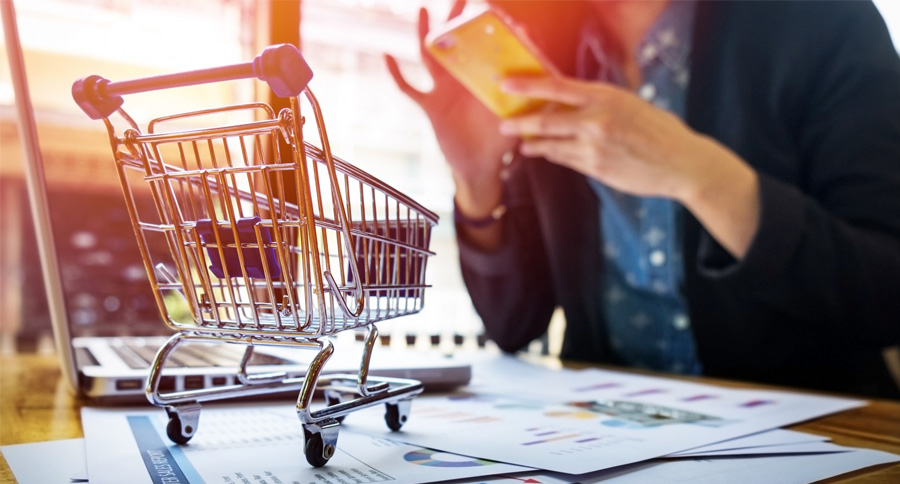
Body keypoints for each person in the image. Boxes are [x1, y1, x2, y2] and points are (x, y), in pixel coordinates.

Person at [385, 0, 900, 399]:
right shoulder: (545, 49)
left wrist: (701, 175)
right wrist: (476, 178)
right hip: (610, 435)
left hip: (813, 433)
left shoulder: (823, 20)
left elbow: (884, 295)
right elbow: (514, 325)